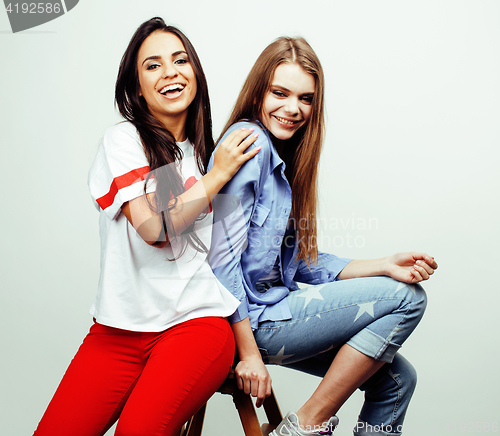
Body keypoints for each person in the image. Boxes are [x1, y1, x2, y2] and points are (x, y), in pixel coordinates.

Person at [33, 17, 260, 436]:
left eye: (180, 60)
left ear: (195, 74)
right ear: (137, 87)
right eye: (153, 65)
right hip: (117, 332)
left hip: (196, 327)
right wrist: (217, 178)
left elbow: (229, 264)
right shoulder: (124, 141)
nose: (171, 72)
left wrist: (250, 353)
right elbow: (155, 230)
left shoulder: (210, 155)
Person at [209, 36, 438, 436]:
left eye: (305, 98)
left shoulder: (284, 157)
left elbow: (299, 263)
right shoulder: (247, 145)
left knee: (397, 381)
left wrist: (383, 264)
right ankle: (305, 424)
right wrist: (248, 354)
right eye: (279, 93)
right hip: (251, 324)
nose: (293, 109)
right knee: (407, 299)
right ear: (258, 90)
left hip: (277, 312)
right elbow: (219, 263)